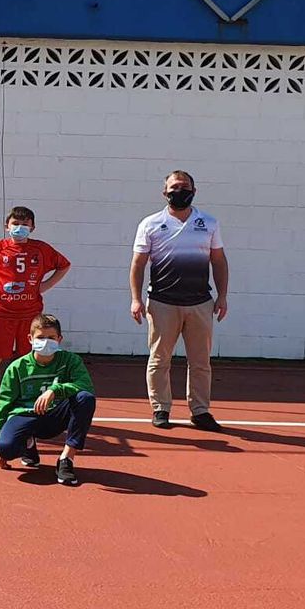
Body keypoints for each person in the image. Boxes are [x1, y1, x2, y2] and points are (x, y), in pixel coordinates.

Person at [129, 169, 229, 431]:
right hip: (162, 302)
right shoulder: (150, 224)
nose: (179, 192)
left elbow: (218, 261)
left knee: (200, 361)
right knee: (159, 359)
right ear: (165, 192)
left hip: (200, 303)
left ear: (194, 192)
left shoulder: (209, 223)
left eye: (184, 187)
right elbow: (138, 264)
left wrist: (222, 296)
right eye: (174, 188)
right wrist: (135, 299)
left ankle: (200, 411)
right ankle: (160, 408)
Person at [0, 206, 71, 421]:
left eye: (25, 224)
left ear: (32, 227)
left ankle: (26, 402)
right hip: (1, 312)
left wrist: (45, 285)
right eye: (16, 224)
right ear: (7, 226)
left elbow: (63, 265)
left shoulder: (40, 249)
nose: (20, 228)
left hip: (30, 315)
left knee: (29, 359)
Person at [0, 315, 95, 486]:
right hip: (26, 415)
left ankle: (66, 459)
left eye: (51, 338)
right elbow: (3, 405)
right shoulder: (17, 367)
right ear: (30, 339)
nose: (46, 342)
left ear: (59, 339)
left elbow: (85, 385)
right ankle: (28, 443)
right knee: (5, 449)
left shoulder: (70, 361)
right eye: (40, 337)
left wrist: (54, 390)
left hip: (56, 414)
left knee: (85, 398)